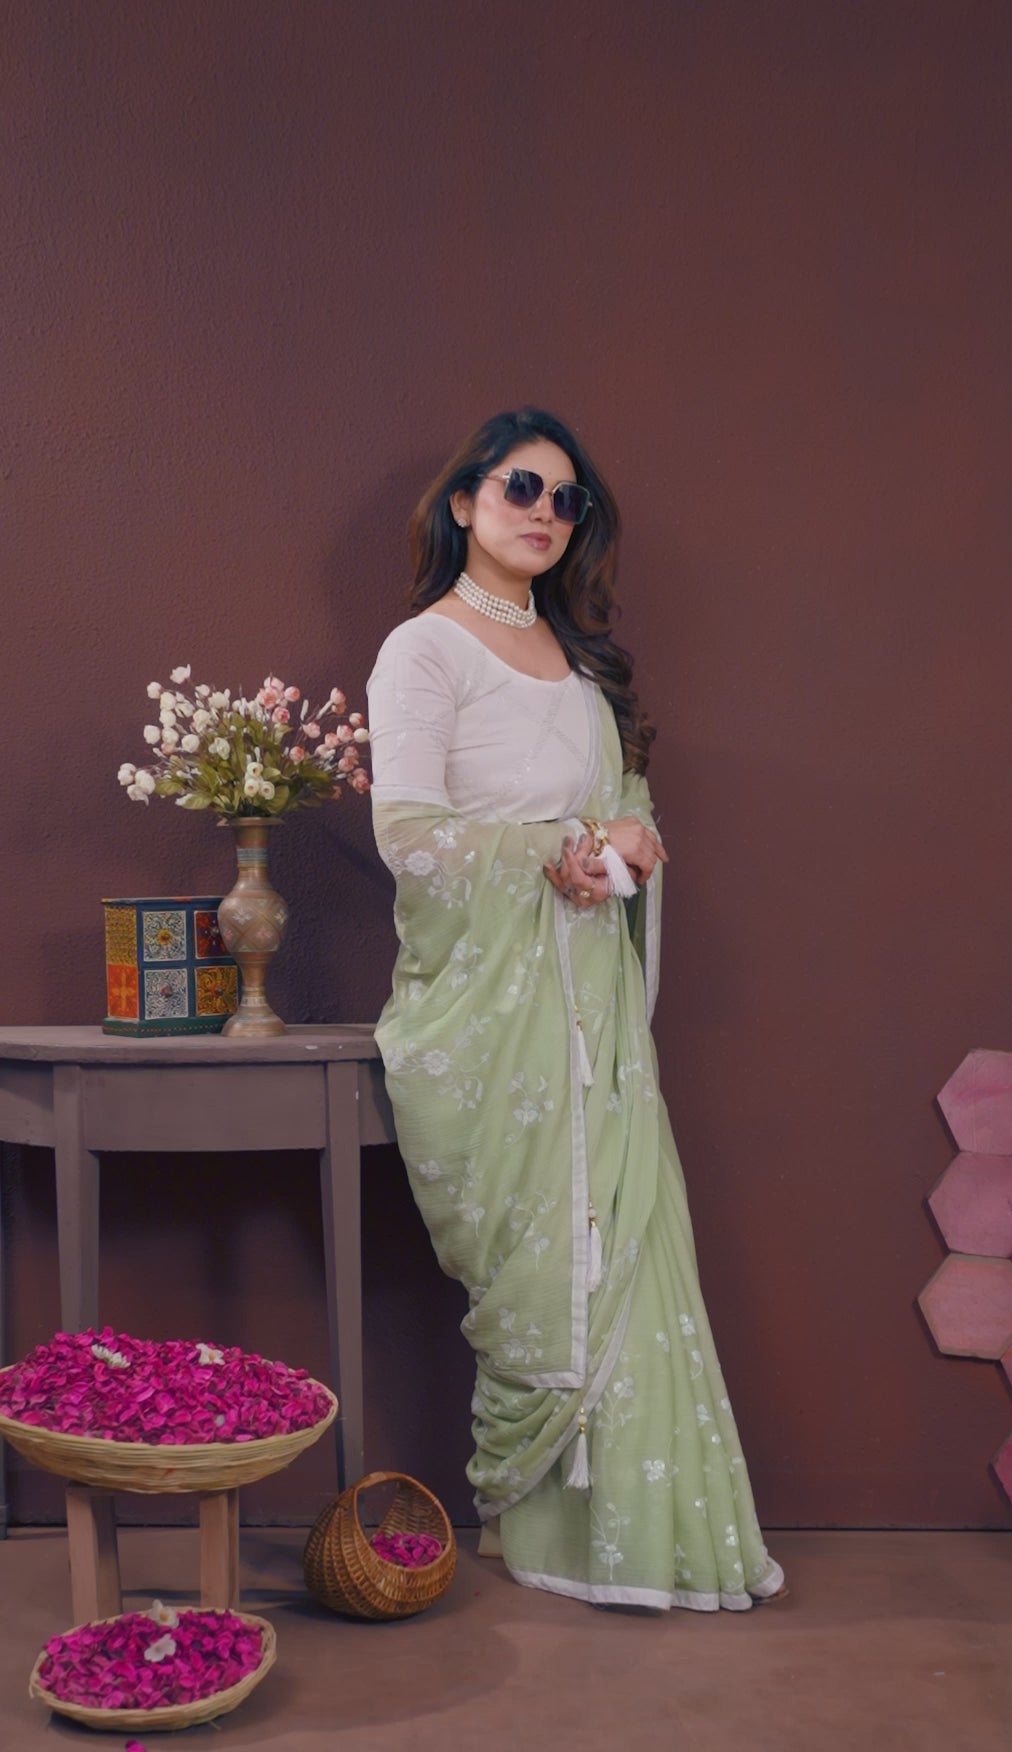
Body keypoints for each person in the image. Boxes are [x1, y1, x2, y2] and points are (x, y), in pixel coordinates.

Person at [365, 407, 785, 1611]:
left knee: (628, 1249)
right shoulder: (424, 652)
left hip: (592, 1008)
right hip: (495, 1018)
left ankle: (639, 1537)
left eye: (566, 500)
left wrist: (626, 845)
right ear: (464, 502)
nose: (544, 513)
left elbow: (628, 815)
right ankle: (547, 1522)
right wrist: (568, 843)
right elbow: (410, 836)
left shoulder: (585, 660)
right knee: (544, 1264)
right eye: (520, 488)